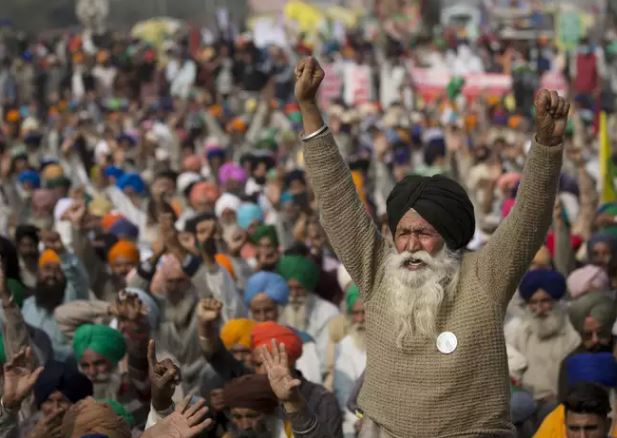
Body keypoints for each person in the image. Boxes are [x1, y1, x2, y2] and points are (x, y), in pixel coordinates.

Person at [295, 56, 570, 436]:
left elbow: (529, 219)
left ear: (450, 235)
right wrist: (309, 108)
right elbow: (337, 198)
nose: (410, 245)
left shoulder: (484, 275)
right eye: (402, 232)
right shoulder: (377, 269)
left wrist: (547, 146)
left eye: (423, 233)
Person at [197, 299, 343, 436]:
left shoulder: (321, 400)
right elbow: (217, 356)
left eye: (262, 364)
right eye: (255, 364)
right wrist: (205, 326)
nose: (256, 370)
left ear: (287, 362)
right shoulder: (253, 386)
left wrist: (294, 404)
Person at [507, 269, 581, 409]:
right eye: (533, 303)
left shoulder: (572, 337)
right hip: (525, 403)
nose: (539, 309)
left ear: (557, 301)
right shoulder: (520, 331)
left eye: (545, 301)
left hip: (558, 404)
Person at [277, 254, 340, 365]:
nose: (294, 294)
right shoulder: (280, 309)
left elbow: (326, 355)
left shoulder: (328, 312)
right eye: (290, 288)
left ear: (309, 288)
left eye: (299, 288)